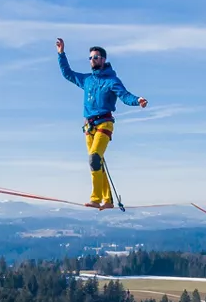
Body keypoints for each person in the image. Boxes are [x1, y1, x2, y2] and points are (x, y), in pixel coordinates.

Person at [55, 38, 148, 209]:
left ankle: (96, 198)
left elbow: (125, 96)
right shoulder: (87, 80)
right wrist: (61, 53)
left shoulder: (112, 80)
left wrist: (138, 100)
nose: (93, 60)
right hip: (88, 127)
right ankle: (108, 200)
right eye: (90, 58)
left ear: (103, 59)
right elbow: (68, 73)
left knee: (94, 159)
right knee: (97, 162)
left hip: (105, 123)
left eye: (96, 57)